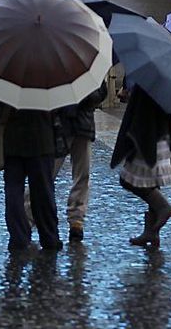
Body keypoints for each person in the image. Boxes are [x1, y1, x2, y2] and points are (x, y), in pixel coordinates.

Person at [30, 82, 108, 242]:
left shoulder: (88, 62)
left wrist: (82, 97)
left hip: (82, 123)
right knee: (45, 174)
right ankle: (28, 215)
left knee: (82, 174)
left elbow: (101, 92)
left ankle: (76, 221)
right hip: (59, 125)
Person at [111, 86, 171, 248]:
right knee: (152, 183)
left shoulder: (149, 81)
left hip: (147, 141)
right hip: (160, 136)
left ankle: (163, 207)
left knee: (128, 180)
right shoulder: (163, 80)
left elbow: (142, 113)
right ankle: (151, 232)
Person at [0, 101, 62, 252]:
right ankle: (49, 237)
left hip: (13, 139)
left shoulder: (6, 77)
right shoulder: (47, 77)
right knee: (42, 192)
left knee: (13, 191)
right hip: (41, 137)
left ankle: (18, 237)